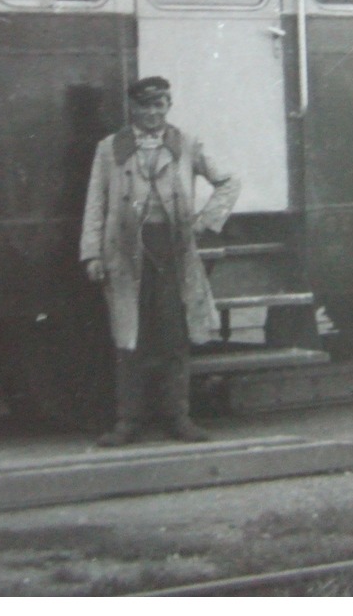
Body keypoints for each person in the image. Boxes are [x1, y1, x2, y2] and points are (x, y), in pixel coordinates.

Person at [80, 76, 240, 446]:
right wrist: (91, 253)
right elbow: (96, 202)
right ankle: (127, 421)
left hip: (172, 250)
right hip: (124, 252)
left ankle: (179, 418)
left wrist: (204, 222)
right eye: (144, 106)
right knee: (129, 337)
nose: (152, 113)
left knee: (174, 335)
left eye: (159, 105)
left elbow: (229, 182)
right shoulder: (110, 148)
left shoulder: (185, 143)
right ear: (132, 109)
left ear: (168, 107)